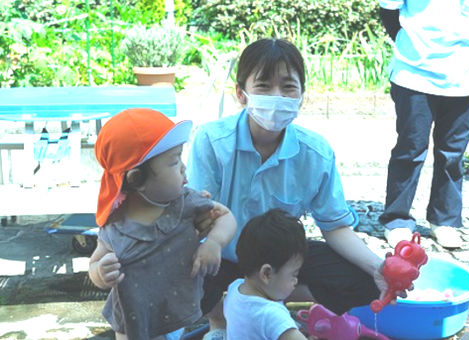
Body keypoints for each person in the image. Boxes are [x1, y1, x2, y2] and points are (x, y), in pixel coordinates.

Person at [187, 38, 392, 340]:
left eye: (287, 87)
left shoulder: (316, 153)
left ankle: (274, 303)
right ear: (241, 94)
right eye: (264, 86)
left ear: (301, 97)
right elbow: (198, 218)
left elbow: (335, 227)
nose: (277, 96)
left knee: (365, 280)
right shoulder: (211, 142)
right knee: (184, 270)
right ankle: (220, 320)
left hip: (282, 263)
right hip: (224, 259)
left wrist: (378, 267)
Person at [88, 108, 237, 340]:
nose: (183, 167)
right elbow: (96, 261)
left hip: (174, 306)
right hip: (132, 317)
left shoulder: (185, 203)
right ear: (137, 179)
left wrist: (214, 243)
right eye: (174, 161)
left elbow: (225, 216)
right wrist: (100, 273)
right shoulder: (117, 225)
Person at [378, 0, 469, 248]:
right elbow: (388, 11)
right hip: (415, 72)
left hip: (465, 73)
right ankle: (397, 220)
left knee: (452, 154)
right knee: (410, 149)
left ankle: (444, 221)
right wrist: (414, 47)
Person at [224, 209, 313, 340]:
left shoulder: (235, 288)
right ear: (266, 273)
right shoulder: (272, 315)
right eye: (294, 274)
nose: (295, 281)